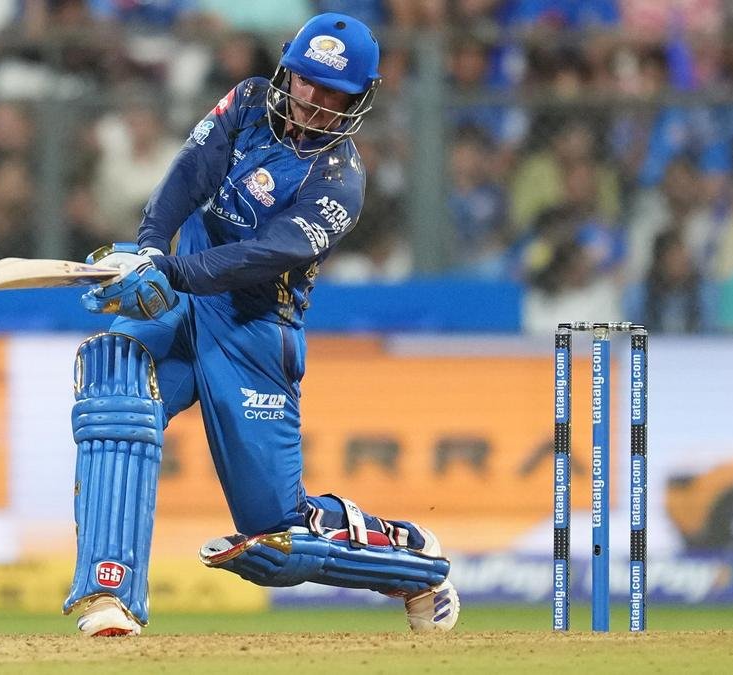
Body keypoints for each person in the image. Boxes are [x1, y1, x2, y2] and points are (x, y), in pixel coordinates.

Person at [62, 13, 458, 637]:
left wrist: (168, 270)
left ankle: (412, 561)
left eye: (333, 92)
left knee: (275, 541)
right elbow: (188, 174)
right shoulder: (248, 101)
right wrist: (148, 250)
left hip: (253, 332)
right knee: (116, 385)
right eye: (305, 80)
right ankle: (110, 594)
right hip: (185, 299)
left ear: (359, 99)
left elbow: (263, 256)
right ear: (287, 70)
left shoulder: (340, 182)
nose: (312, 100)